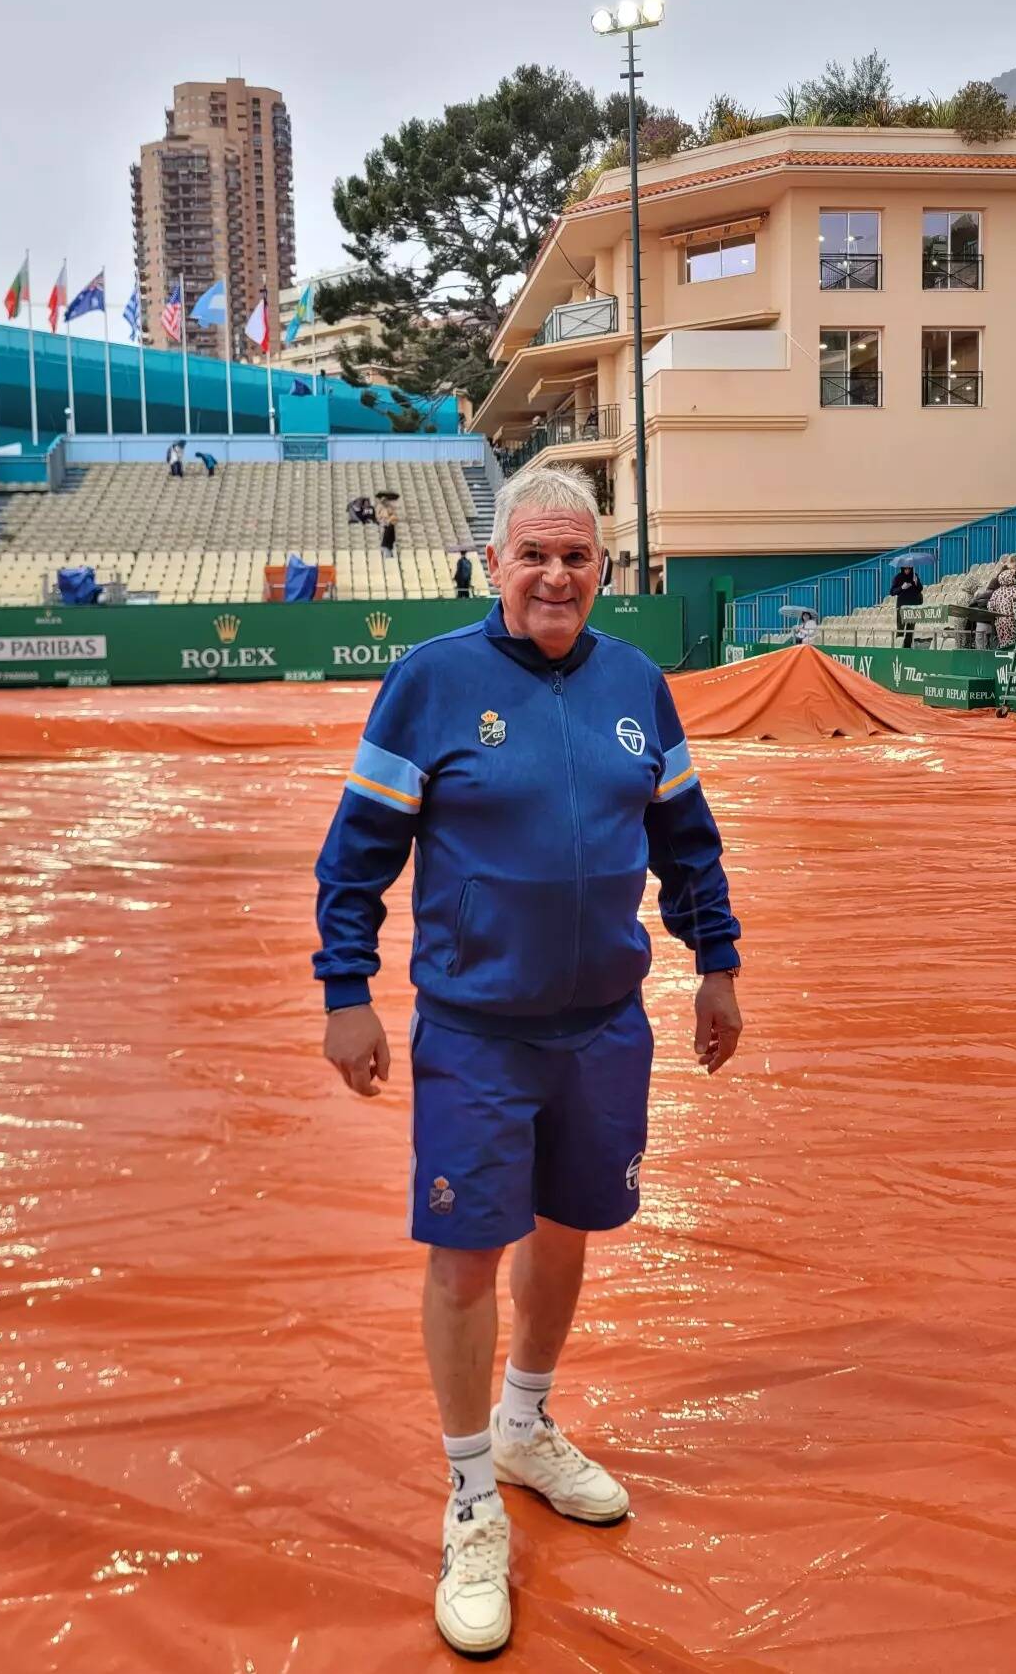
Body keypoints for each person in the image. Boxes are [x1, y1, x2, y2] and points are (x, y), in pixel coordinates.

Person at [314, 464, 742, 1658]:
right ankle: (467, 1494)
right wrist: (345, 991)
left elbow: (684, 839)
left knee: (567, 1227)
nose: (557, 576)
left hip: (606, 1023)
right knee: (464, 1256)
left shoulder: (636, 685)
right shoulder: (432, 683)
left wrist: (717, 958)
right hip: (477, 1031)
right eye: (535, 555)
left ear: (606, 569)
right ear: (495, 562)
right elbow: (357, 850)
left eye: (579, 558)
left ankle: (525, 1423)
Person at [890, 563, 924, 647]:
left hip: (913, 606)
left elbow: (920, 589)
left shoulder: (914, 575)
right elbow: (892, 592)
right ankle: (898, 646)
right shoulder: (898, 577)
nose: (907, 571)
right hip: (902, 607)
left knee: (910, 630)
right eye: (905, 569)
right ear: (902, 569)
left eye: (909, 569)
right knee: (900, 629)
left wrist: (916, 583)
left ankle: (907, 647)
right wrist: (902, 587)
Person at [988, 561, 1016, 648]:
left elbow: (990, 608)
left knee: (1004, 648)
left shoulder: (996, 592)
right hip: (1012, 627)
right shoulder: (1015, 591)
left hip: (1000, 627)